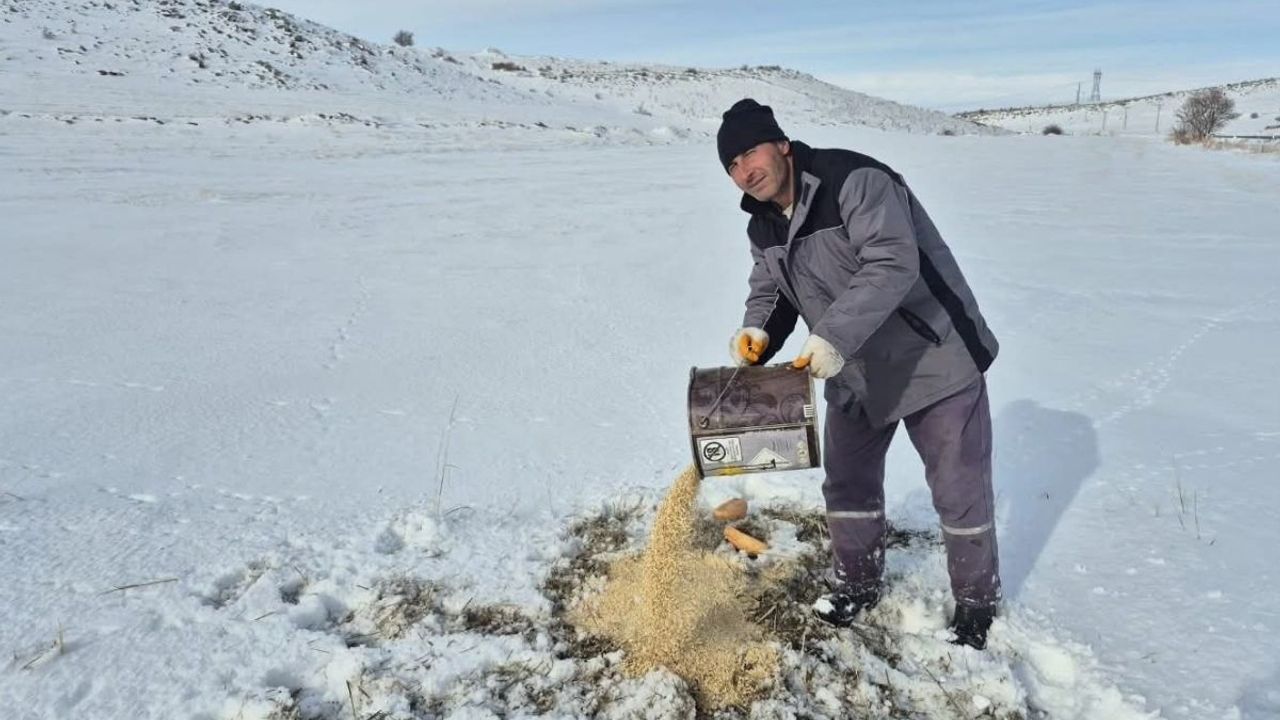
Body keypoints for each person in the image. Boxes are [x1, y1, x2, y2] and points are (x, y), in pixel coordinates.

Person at [718, 99, 1001, 650]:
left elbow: (892, 263)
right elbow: (771, 289)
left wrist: (832, 338)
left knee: (958, 486)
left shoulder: (854, 180)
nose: (744, 171)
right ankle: (856, 582)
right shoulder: (762, 225)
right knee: (847, 480)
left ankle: (975, 601)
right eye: (731, 164)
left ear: (782, 145)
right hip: (851, 364)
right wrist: (759, 331)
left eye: (750, 152)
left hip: (931, 353)